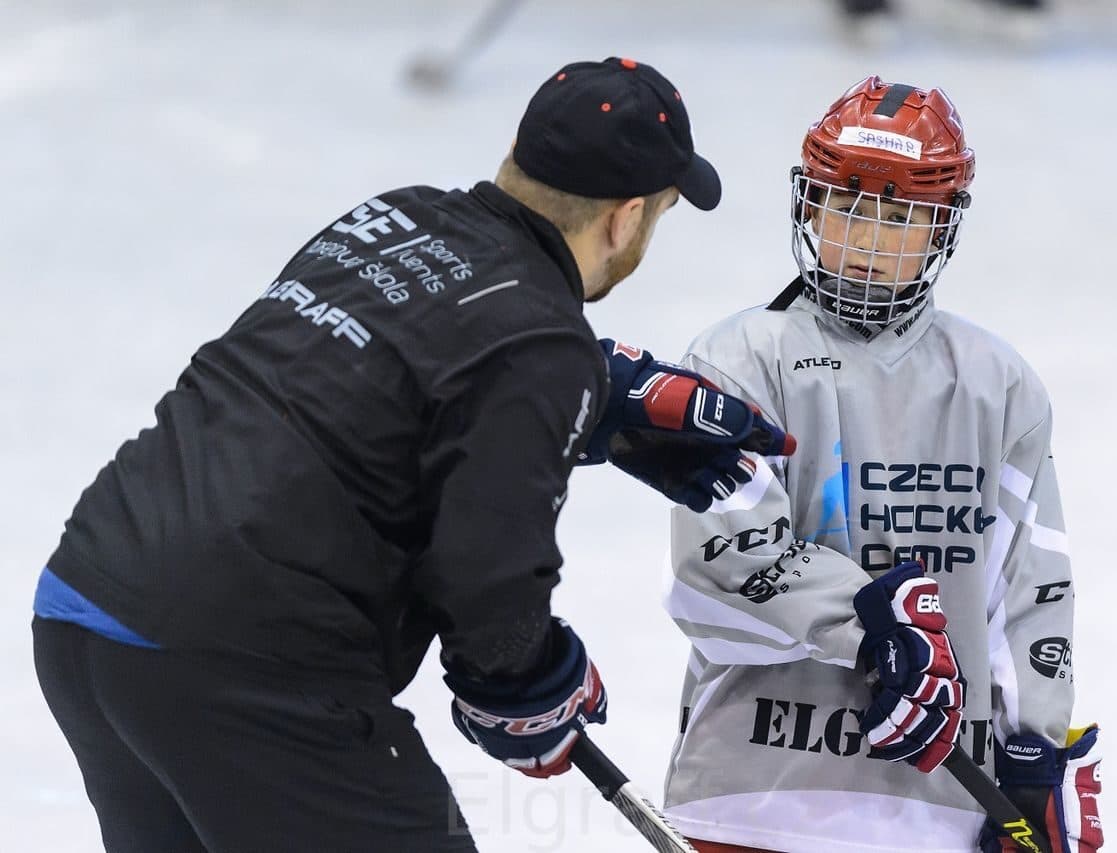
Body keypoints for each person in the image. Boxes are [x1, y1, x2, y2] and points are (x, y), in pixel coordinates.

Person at [32, 56, 795, 853]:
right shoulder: (540, 343)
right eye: (663, 214)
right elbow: (488, 576)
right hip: (241, 660)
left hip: (89, 605)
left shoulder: (396, 217)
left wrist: (599, 395)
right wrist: (525, 676)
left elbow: (372, 376)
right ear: (626, 217)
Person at [659, 77, 1103, 852]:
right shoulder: (739, 362)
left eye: (899, 217)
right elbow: (715, 573)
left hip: (937, 810)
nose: (867, 240)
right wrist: (874, 624)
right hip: (753, 796)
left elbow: (1033, 588)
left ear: (941, 229)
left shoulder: (997, 385)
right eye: (848, 206)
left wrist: (1036, 749)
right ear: (809, 208)